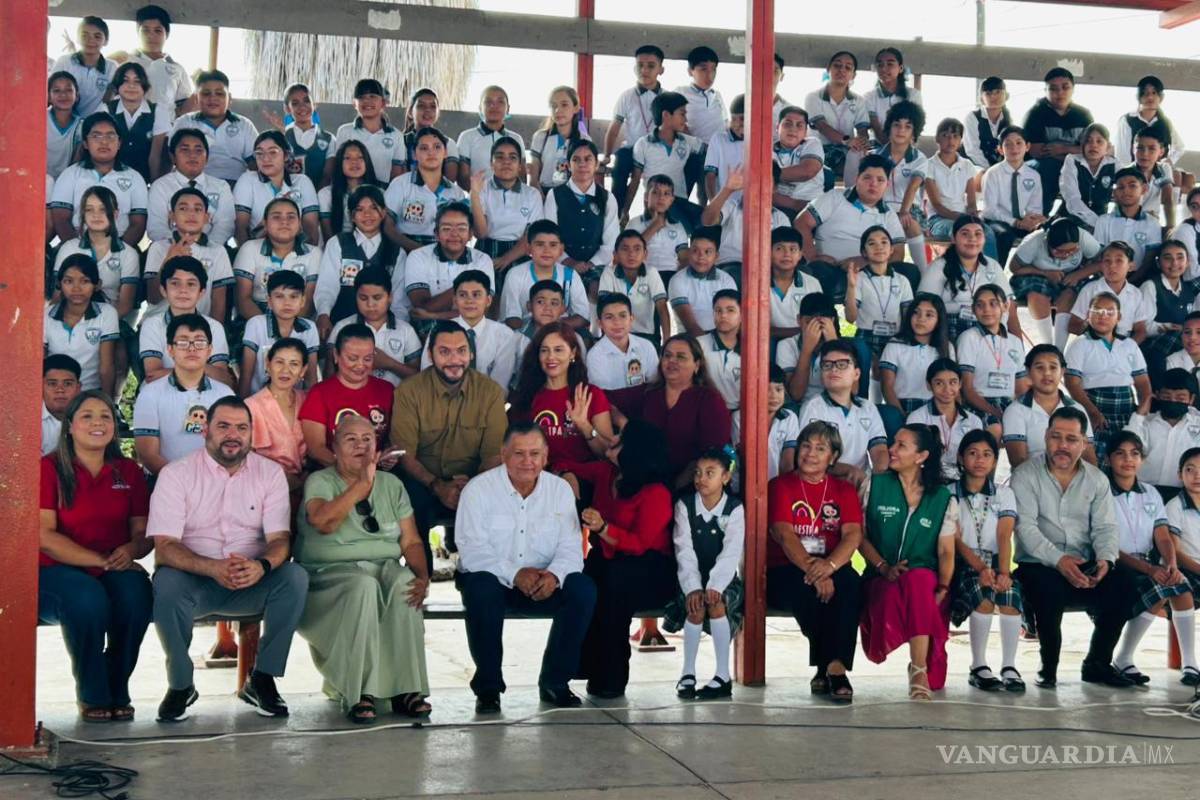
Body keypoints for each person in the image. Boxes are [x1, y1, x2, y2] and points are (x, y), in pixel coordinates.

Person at [148, 396, 309, 721]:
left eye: (241, 427)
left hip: (252, 581)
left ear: (251, 433)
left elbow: (280, 541)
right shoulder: (176, 474)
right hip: (195, 583)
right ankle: (181, 684)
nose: (233, 434)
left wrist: (261, 566)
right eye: (223, 426)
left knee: (295, 578)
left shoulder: (270, 474)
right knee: (165, 582)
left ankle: (262, 678)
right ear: (205, 429)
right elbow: (165, 547)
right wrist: (212, 568)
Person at [296, 415, 431, 722]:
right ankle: (358, 692)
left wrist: (422, 577)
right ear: (334, 446)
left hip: (381, 567)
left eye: (367, 439)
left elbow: (410, 541)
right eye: (351, 439)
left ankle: (406, 689)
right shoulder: (321, 481)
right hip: (327, 577)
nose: (360, 446)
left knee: (403, 582)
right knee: (362, 586)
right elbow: (323, 522)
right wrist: (361, 486)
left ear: (377, 446)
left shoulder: (392, 484)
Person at [455, 423, 597, 712]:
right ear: (504, 454)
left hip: (543, 582)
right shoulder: (478, 490)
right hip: (496, 580)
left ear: (546, 456)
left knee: (583, 589)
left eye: (535, 453)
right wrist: (514, 574)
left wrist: (554, 576)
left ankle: (555, 682)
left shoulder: (559, 491)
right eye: (518, 453)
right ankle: (489, 688)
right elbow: (472, 551)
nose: (527, 461)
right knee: (480, 587)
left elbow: (571, 549)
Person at [38, 391, 154, 723]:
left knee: (136, 593)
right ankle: (92, 692)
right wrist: (99, 560)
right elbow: (44, 537)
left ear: (115, 427)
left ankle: (117, 684)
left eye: (104, 416)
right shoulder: (49, 469)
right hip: (55, 572)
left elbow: (143, 533)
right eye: (87, 416)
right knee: (86, 598)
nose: (97, 422)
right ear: (70, 426)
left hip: (113, 566)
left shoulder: (128, 471)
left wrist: (131, 550)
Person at [1011, 407, 1134, 688]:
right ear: (1045, 437)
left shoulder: (1096, 479)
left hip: (1084, 561)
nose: (1062, 446)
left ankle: (1097, 663)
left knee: (1124, 583)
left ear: (1083, 443)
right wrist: (1059, 560)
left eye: (1071, 439)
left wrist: (1105, 560)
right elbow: (1025, 528)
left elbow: (1105, 528)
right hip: (1039, 564)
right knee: (1047, 588)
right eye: (1056, 437)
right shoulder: (1025, 475)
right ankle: (1048, 667)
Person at [391, 320, 508, 558]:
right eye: (444, 351)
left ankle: (477, 577)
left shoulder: (490, 392)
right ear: (431, 354)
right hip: (424, 482)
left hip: (475, 481)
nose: (455, 360)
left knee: (499, 499)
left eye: (461, 351)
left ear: (471, 353)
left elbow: (494, 455)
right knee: (410, 499)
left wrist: (470, 488)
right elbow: (405, 455)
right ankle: (420, 576)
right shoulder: (409, 391)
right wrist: (437, 486)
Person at [579, 419, 677, 698]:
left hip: (649, 566)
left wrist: (602, 528)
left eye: (621, 438)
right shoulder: (607, 473)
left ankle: (610, 679)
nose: (613, 439)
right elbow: (573, 468)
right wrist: (566, 476)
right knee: (585, 581)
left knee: (613, 587)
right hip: (610, 560)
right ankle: (578, 669)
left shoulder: (656, 492)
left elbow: (639, 543)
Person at [859, 424, 957, 699]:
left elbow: (946, 552)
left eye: (901, 446)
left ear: (921, 456)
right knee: (915, 585)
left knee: (920, 579)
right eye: (893, 443)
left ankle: (918, 668)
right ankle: (920, 669)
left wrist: (944, 587)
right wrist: (882, 567)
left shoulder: (942, 498)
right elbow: (858, 536)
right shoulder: (874, 484)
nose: (891, 450)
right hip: (880, 577)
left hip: (925, 582)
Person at [767, 421, 863, 702]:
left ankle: (829, 666)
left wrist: (830, 567)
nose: (810, 453)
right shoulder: (781, 485)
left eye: (820, 448)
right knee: (807, 591)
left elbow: (853, 535)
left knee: (850, 586)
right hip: (787, 566)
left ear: (833, 457)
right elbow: (783, 533)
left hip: (831, 564)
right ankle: (833, 669)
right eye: (806, 446)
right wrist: (814, 569)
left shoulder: (843, 490)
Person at [1105, 431, 1197, 686]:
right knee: (1160, 586)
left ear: (1142, 459)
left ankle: (1190, 666)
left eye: (1135, 454)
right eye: (1120, 453)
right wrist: (1150, 569)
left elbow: (1163, 537)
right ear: (1109, 458)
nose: (1128, 460)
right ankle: (1123, 657)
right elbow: (1105, 544)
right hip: (1113, 563)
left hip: (1146, 564)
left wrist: (1170, 563)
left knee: (1174, 582)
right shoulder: (1100, 491)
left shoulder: (1150, 493)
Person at [663, 447, 744, 701]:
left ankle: (722, 675)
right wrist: (693, 587)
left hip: (724, 580)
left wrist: (716, 585)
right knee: (695, 606)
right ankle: (688, 672)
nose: (701, 479)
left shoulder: (735, 508)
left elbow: (731, 552)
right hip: (692, 578)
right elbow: (683, 549)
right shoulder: (684, 506)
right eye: (698, 473)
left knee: (717, 604)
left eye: (710, 473)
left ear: (726, 477)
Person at [951, 430, 1026, 692]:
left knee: (1010, 595)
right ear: (961, 458)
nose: (979, 460)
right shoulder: (949, 493)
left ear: (995, 460)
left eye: (986, 455)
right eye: (972, 454)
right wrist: (981, 569)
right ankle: (978, 665)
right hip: (963, 563)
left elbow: (1005, 534)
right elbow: (956, 540)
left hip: (995, 561)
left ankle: (1009, 665)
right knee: (982, 596)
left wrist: (1003, 572)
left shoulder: (1004, 494)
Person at [509, 322, 615, 500]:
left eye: (559, 350)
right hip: (536, 474)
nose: (551, 357)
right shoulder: (526, 398)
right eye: (544, 350)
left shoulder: (591, 394)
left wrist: (584, 426)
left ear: (572, 353)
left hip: (583, 478)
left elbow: (607, 453)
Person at [795, 153, 908, 302]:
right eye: (867, 178)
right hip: (829, 269)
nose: (873, 184)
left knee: (909, 272)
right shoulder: (835, 197)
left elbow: (898, 253)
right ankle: (826, 321)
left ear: (887, 185)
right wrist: (813, 257)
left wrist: (866, 261)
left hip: (869, 271)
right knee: (816, 271)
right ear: (857, 179)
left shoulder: (889, 214)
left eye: (880, 180)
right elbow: (801, 222)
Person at [132, 314, 235, 474]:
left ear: (209, 350)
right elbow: (148, 455)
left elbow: (231, 446)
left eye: (200, 342)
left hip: (216, 483)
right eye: (183, 342)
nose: (191, 348)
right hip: (165, 484)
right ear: (170, 350)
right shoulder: (150, 394)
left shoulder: (225, 395)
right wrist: (183, 484)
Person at [1064, 292, 1152, 461]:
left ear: (1119, 317)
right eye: (1097, 311)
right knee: (1098, 460)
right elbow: (1072, 383)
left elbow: (1143, 384)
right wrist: (1093, 412)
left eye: (1109, 312)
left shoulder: (1129, 345)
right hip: (1094, 406)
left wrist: (1139, 416)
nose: (1102, 316)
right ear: (1088, 315)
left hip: (1126, 409)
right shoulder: (1079, 344)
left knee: (1124, 458)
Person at [639, 334, 733, 489]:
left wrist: (676, 487)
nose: (672, 361)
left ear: (697, 365)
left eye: (681, 357)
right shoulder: (650, 395)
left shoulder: (709, 399)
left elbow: (712, 452)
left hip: (697, 484)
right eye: (667, 355)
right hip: (652, 483)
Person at [299, 323, 396, 467]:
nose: (360, 365)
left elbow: (391, 439)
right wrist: (354, 468)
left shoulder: (386, 390)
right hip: (335, 474)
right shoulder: (319, 393)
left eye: (367, 359)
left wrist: (389, 457)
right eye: (352, 358)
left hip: (378, 474)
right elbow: (316, 449)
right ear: (336, 355)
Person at [50, 111, 148, 247]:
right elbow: (61, 219)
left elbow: (138, 224)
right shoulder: (70, 175)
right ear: (85, 143)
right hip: (77, 247)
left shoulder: (135, 178)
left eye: (110, 136)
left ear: (119, 143)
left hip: (121, 248)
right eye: (96, 136)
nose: (104, 141)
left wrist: (118, 252)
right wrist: (78, 250)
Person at [799, 340, 888, 486]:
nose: (834, 370)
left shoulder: (867, 408)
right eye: (827, 365)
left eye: (842, 365)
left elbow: (879, 450)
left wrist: (877, 479)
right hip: (822, 482)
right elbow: (811, 457)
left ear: (857, 373)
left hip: (860, 482)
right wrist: (848, 470)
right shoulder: (813, 407)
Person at [313, 186, 402, 332]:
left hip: (382, 329)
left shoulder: (396, 250)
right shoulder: (337, 243)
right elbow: (327, 285)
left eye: (374, 208)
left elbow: (399, 299)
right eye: (360, 210)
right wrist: (323, 314)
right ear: (351, 216)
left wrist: (395, 330)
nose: (367, 214)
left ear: (383, 212)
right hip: (341, 326)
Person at [138, 256, 234, 388]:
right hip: (162, 391)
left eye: (191, 284)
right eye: (175, 283)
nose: (183, 290)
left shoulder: (214, 327)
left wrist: (175, 371)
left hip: (204, 393)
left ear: (201, 293)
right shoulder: (152, 325)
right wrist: (201, 369)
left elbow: (223, 378)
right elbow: (153, 375)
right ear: (163, 290)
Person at [404, 202, 495, 337]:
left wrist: (433, 315)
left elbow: (481, 311)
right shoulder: (418, 256)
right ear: (436, 233)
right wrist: (467, 286)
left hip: (470, 327)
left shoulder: (482, 260)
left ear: (471, 234)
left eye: (461, 228)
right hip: (428, 329)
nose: (454, 234)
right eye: (446, 229)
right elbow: (422, 306)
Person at [918, 214, 1015, 341]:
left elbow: (1008, 304)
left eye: (978, 234)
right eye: (965, 234)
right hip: (948, 332)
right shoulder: (938, 267)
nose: (972, 239)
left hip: (987, 329)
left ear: (984, 239)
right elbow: (924, 305)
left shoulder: (992, 266)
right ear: (953, 238)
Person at [1009, 217, 1101, 350]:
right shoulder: (1034, 241)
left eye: (1072, 251)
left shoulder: (1084, 239)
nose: (1066, 255)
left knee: (1069, 294)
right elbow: (1015, 268)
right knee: (1037, 294)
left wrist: (1079, 274)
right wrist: (1045, 273)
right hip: (1038, 274)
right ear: (1048, 243)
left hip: (1073, 274)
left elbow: (1100, 262)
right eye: (1059, 252)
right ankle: (1047, 344)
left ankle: (1059, 349)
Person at [145, 186, 235, 322]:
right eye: (183, 208)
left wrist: (214, 334)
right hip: (158, 323)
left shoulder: (218, 251)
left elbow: (218, 302)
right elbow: (153, 297)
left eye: (198, 209)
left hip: (199, 328)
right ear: (172, 216)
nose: (191, 214)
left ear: (206, 217)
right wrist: (169, 258)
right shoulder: (158, 247)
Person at [418, 271, 519, 392]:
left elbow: (499, 386)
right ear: (455, 301)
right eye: (463, 295)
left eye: (476, 295)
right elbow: (428, 376)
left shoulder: (504, 335)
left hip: (488, 405)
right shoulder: (438, 331)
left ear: (488, 300)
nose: (469, 301)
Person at [542, 140, 618, 296]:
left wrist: (591, 264)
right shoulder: (555, 195)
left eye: (588, 159)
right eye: (576, 159)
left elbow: (610, 243)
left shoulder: (607, 198)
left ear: (596, 164)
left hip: (596, 265)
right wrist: (569, 261)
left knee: (597, 292)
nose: (582, 164)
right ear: (568, 165)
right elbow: (549, 236)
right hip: (561, 262)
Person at [1002, 344, 1096, 469]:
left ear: (1062, 371)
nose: (1047, 373)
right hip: (1032, 482)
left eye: (1053, 367)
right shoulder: (1015, 411)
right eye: (1040, 368)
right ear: (1028, 371)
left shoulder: (1077, 409)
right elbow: (1018, 461)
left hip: (1072, 482)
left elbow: (1089, 458)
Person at [956, 285, 1029, 438]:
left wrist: (1022, 412)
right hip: (979, 402)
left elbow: (1021, 387)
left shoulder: (1014, 341)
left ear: (1005, 306)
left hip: (1009, 404)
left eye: (993, 303)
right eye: (980, 305)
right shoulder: (969, 338)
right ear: (973, 310)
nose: (986, 310)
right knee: (995, 427)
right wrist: (996, 412)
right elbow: (967, 389)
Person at [232, 197, 321, 320]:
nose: (284, 222)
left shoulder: (314, 253)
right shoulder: (250, 248)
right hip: (256, 321)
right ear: (265, 223)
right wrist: (267, 329)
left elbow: (309, 301)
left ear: (300, 224)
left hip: (298, 324)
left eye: (291, 217)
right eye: (276, 217)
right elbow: (242, 299)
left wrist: (289, 329)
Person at [468, 137, 545, 282]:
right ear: (491, 164)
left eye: (513, 157)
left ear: (520, 165)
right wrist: (475, 195)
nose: (506, 162)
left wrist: (505, 259)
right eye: (499, 157)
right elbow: (481, 233)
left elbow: (531, 236)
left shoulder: (532, 194)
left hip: (519, 252)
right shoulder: (482, 189)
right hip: (486, 250)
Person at [328, 267, 420, 386]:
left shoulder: (406, 331)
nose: (370, 304)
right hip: (351, 401)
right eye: (363, 298)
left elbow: (419, 377)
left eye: (377, 298)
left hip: (395, 401)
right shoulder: (342, 327)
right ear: (355, 297)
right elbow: (329, 374)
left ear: (390, 297)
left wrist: (390, 364)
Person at [44, 254, 118, 396]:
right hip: (56, 394)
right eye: (68, 281)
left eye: (85, 281)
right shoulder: (46, 316)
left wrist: (107, 403)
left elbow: (106, 368)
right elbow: (40, 363)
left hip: (90, 392)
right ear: (59, 284)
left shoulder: (106, 313)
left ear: (97, 285)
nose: (76, 288)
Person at [146, 128, 236, 245]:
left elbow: (225, 225)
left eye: (198, 150)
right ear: (173, 157)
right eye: (185, 150)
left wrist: (204, 247)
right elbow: (157, 227)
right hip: (170, 250)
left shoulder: (221, 187)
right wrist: (180, 246)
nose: (192, 155)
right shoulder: (160, 187)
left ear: (207, 157)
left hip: (212, 250)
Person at [1022, 68, 1094, 215]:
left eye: (1065, 87)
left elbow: (1092, 147)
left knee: (1087, 170)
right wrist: (1074, 151)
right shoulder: (1036, 113)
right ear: (1045, 90)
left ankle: (1073, 218)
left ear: (1073, 89)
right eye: (1053, 89)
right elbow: (1035, 150)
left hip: (1072, 162)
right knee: (1048, 168)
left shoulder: (1084, 115)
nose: (1060, 93)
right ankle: (1038, 217)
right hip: (1042, 164)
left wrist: (1062, 149)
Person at [604, 45, 666, 212]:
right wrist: (607, 155)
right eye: (640, 65)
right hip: (631, 149)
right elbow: (614, 128)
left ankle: (655, 217)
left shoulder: (667, 97)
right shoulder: (627, 96)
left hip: (657, 149)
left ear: (661, 70)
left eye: (651, 66)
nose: (644, 70)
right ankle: (617, 215)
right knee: (620, 167)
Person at [238, 270, 320, 396]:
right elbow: (246, 374)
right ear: (269, 301)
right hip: (258, 398)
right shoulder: (256, 324)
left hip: (294, 399)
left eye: (293, 296)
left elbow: (311, 376)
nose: (287, 303)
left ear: (303, 301)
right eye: (279, 296)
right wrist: (244, 404)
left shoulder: (309, 328)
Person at [924, 118, 997, 259]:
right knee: (962, 232)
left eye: (955, 136)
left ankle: (990, 273)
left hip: (963, 216)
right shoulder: (929, 165)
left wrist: (972, 215)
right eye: (945, 135)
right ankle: (961, 272)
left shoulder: (966, 165)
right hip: (939, 219)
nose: (951, 140)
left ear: (960, 140)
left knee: (986, 232)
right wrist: (962, 218)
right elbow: (937, 206)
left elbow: (970, 202)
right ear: (937, 139)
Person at [383, 126, 465, 252]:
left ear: (446, 153)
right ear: (414, 154)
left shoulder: (456, 192)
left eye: (437, 147)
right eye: (424, 148)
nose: (431, 153)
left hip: (443, 253)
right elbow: (387, 227)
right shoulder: (400, 184)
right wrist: (419, 251)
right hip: (405, 251)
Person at [498, 219, 590, 330]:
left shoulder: (570, 275)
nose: (546, 250)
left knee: (584, 338)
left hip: (561, 328)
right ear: (528, 248)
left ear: (561, 250)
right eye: (540, 244)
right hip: (526, 332)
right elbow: (511, 318)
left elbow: (583, 317)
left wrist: (550, 326)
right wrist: (536, 330)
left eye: (553, 245)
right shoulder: (515, 274)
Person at [1123, 368, 1200, 501]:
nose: (1173, 401)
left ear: (1191, 399)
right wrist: (1140, 414)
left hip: (1187, 495)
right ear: (1157, 395)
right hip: (1144, 491)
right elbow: (1128, 447)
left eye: (1180, 398)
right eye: (1167, 397)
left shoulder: (1198, 424)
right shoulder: (1144, 422)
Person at [233, 130, 320, 245]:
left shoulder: (302, 182)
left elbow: (311, 231)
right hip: (257, 249)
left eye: (272, 152)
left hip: (297, 251)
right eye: (259, 153)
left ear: (286, 156)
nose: (265, 159)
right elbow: (240, 228)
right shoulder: (247, 180)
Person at [170, 70, 258, 185]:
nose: (213, 98)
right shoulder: (184, 123)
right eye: (206, 94)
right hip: (194, 184)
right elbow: (171, 158)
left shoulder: (244, 125)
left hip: (236, 184)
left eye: (219, 93)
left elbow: (256, 163)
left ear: (229, 98)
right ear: (196, 98)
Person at [245, 338, 309, 489]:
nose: (285, 370)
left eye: (294, 364)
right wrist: (285, 479)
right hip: (266, 487)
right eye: (279, 362)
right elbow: (246, 458)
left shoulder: (307, 400)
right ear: (268, 364)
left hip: (308, 487)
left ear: (303, 370)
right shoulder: (252, 406)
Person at [906, 359, 984, 482]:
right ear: (928, 385)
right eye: (939, 383)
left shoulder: (974, 421)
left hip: (963, 483)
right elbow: (912, 458)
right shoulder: (917, 418)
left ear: (960, 384)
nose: (947, 389)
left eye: (953, 382)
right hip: (928, 482)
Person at [845, 225, 912, 365]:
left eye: (884, 242)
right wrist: (851, 287)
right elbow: (850, 318)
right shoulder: (859, 278)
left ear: (892, 249)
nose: (879, 247)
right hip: (866, 337)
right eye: (872, 243)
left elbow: (908, 317)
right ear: (864, 252)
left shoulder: (902, 280)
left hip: (895, 337)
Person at [979, 126, 1046, 264]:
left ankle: (1028, 278)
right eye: (1007, 144)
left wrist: (1033, 220)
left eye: (1019, 143)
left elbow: (1035, 207)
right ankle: (995, 276)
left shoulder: (1033, 175)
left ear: (1027, 146)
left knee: (1043, 234)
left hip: (1022, 221)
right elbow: (990, 210)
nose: (1013, 148)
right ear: (1000, 149)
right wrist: (1016, 223)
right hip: (997, 221)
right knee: (1004, 236)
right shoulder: (993, 174)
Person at [586, 292, 660, 416]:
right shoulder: (595, 356)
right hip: (612, 415)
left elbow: (655, 386)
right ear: (600, 324)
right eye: (609, 317)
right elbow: (603, 400)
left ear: (631, 319)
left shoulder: (646, 346)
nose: (617, 322)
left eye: (622, 316)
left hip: (646, 411)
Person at [876, 101, 930, 272]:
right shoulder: (875, 156)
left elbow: (913, 186)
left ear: (914, 132)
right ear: (889, 128)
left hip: (908, 209)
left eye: (907, 127)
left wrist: (904, 211)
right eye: (897, 125)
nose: (901, 130)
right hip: (881, 209)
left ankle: (923, 273)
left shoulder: (919, 159)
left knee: (910, 224)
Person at [879, 293, 954, 415]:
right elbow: (887, 387)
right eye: (916, 312)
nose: (921, 318)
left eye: (929, 315)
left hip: (936, 409)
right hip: (901, 407)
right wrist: (902, 417)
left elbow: (952, 386)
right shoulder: (895, 344)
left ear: (939, 320)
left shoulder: (946, 347)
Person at [804, 51, 870, 184]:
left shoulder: (858, 100)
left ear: (853, 75)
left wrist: (861, 142)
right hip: (819, 149)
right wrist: (847, 141)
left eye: (848, 67)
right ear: (828, 69)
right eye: (837, 66)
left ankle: (853, 196)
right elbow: (822, 127)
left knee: (863, 159)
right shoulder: (813, 97)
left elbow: (863, 130)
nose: (842, 70)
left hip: (847, 150)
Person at [596, 229, 672, 343]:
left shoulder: (651, 273)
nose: (631, 254)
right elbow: (603, 308)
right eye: (625, 249)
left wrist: (667, 342)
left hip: (646, 334)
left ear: (645, 254)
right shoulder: (608, 273)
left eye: (637, 249)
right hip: (615, 334)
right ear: (615, 255)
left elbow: (662, 308)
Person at [1068, 241, 1150, 341]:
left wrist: (1127, 348)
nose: (1112, 265)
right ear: (1101, 265)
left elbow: (1141, 330)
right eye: (1107, 261)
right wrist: (1090, 326)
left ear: (1131, 266)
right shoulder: (1090, 290)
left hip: (1123, 343)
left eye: (1119, 260)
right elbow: (1073, 325)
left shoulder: (1135, 294)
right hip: (1093, 340)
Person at [330, 78, 406, 185]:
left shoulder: (396, 135)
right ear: (354, 104)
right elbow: (338, 168)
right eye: (361, 98)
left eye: (372, 96)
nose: (367, 101)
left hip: (382, 194)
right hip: (351, 192)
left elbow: (397, 176)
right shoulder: (345, 132)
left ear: (383, 103)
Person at [104, 61, 171, 182]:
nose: (131, 86)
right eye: (125, 81)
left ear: (145, 87)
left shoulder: (158, 111)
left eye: (137, 81)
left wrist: (153, 186)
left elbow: (155, 155)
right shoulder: (105, 109)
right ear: (117, 86)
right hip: (111, 178)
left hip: (144, 178)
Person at [731, 364, 799, 483]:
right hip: (746, 483)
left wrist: (781, 488)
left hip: (777, 483)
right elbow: (745, 458)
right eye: (766, 390)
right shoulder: (740, 417)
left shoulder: (789, 418)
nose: (774, 396)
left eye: (778, 389)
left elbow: (787, 463)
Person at [1141, 240, 1194, 383]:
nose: (1174, 263)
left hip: (1181, 347)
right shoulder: (1150, 286)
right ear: (1158, 263)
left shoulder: (1189, 290)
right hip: (1155, 349)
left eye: (1180, 257)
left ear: (1188, 261)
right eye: (1168, 258)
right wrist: (1170, 327)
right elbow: (1144, 327)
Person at [1090, 168, 1162, 274]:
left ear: (1144, 189)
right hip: (1107, 276)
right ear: (1114, 192)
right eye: (1120, 187)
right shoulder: (1103, 221)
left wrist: (1130, 284)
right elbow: (1098, 257)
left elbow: (1148, 262)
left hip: (1139, 278)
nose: (1126, 191)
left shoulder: (1152, 223)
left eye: (1132, 186)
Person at [668, 226, 737, 336]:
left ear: (716, 256)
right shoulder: (677, 280)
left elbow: (732, 319)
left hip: (721, 338)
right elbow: (690, 326)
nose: (701, 257)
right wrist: (709, 348)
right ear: (689, 252)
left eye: (707, 252)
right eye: (695, 251)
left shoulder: (726, 280)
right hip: (690, 341)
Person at [454, 86, 525, 192]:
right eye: (488, 102)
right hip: (478, 201)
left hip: (511, 202)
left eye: (500, 102)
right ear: (480, 108)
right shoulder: (467, 137)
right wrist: (482, 197)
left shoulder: (516, 139)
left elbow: (522, 176)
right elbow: (463, 178)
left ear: (508, 109)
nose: (494, 106)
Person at [130, 5, 194, 119]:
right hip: (128, 129)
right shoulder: (126, 61)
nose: (151, 35)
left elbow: (183, 105)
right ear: (137, 32)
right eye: (145, 30)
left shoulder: (177, 69)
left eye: (157, 30)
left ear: (167, 34)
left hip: (166, 131)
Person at [49, 16, 115, 116]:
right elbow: (50, 92)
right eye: (85, 35)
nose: (90, 40)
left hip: (94, 124)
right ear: (77, 38)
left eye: (97, 36)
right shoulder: (64, 61)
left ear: (106, 41)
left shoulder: (111, 67)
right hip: (65, 121)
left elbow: (110, 99)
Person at [319, 140, 382, 240]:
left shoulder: (380, 193)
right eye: (348, 158)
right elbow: (328, 235)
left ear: (367, 161)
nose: (354, 162)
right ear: (340, 162)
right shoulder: (325, 194)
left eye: (360, 157)